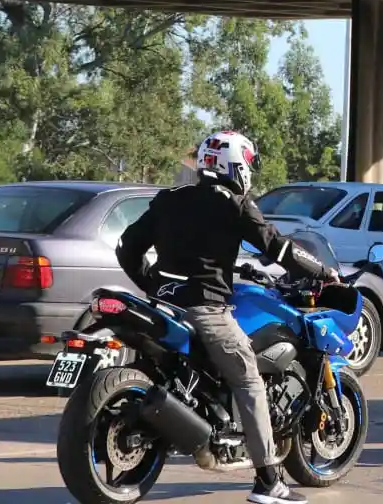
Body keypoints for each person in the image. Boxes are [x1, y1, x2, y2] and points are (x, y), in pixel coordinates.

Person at [116, 130, 339, 504]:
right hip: (207, 311)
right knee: (248, 377)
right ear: (236, 165)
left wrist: (153, 285)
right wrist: (322, 272)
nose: (249, 171)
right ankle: (270, 481)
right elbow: (277, 246)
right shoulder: (234, 203)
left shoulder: (170, 199)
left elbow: (127, 246)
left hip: (165, 306)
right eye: (248, 164)